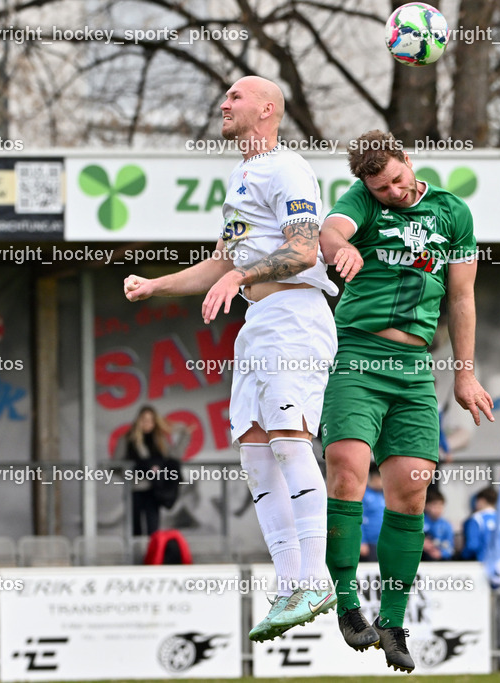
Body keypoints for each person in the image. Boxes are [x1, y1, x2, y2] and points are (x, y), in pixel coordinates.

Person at [124, 76, 338, 641]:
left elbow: (303, 249)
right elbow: (221, 264)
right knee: (255, 455)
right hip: (258, 324)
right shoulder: (240, 176)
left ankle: (317, 578)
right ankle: (291, 583)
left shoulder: (288, 168)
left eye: (236, 96)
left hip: (295, 317)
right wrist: (155, 286)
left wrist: (242, 273)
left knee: (291, 442)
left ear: (267, 110)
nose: (224, 102)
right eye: (225, 95)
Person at [318, 129, 492, 672]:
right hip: (358, 356)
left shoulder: (452, 212)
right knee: (347, 468)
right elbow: (331, 230)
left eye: (397, 178)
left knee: (412, 493)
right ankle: (348, 605)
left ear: (408, 161)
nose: (392, 190)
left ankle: (392, 620)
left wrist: (464, 376)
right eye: (381, 186)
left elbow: (462, 299)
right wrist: (341, 247)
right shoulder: (363, 201)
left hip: (415, 369)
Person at [123, 406, 184, 537]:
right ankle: (137, 556)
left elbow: (173, 457)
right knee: (136, 528)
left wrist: (183, 432)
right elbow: (118, 464)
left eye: (151, 420)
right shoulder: (129, 439)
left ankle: (153, 556)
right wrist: (137, 472)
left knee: (153, 529)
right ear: (138, 420)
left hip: (154, 488)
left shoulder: (159, 440)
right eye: (144, 419)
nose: (147, 423)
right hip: (136, 489)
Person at [459, 487, 500, 561]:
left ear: (482, 501)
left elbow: (472, 545)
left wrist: (462, 556)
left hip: (482, 562)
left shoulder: (477, 519)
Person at [360, 463, 385, 561]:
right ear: (373, 477)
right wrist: (362, 541)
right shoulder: (363, 494)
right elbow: (360, 518)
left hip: (383, 542)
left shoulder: (384, 494)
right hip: (369, 544)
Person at [423, 489, 454, 561]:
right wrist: (421, 544)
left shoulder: (446, 525)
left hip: (441, 561)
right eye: (434, 506)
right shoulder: (419, 523)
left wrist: (441, 553)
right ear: (426, 506)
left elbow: (450, 548)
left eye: (440, 506)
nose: (438, 509)